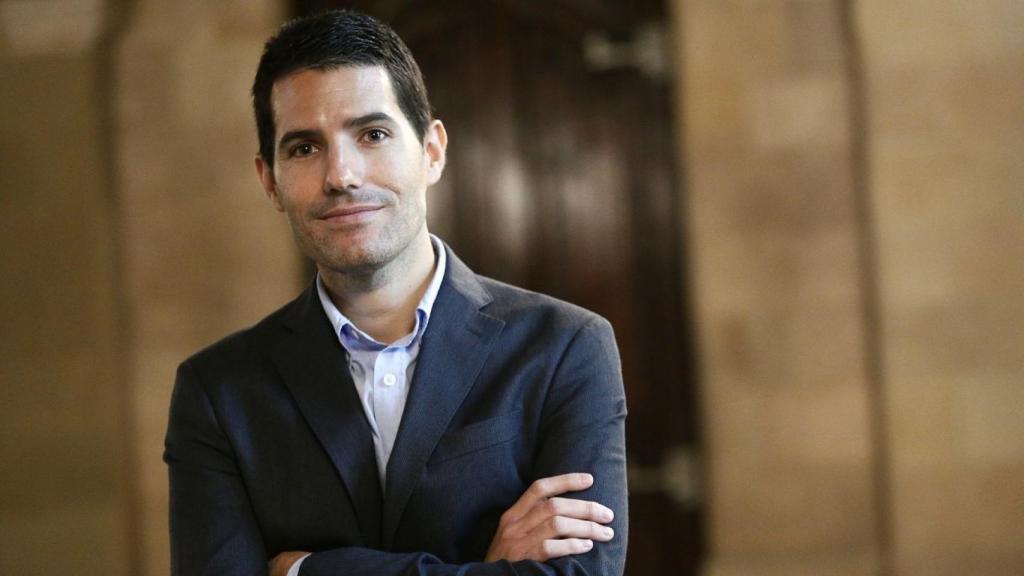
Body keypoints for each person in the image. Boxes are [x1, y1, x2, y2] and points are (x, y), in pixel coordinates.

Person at [164, 9, 627, 576]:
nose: (342, 175)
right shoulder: (218, 391)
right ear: (270, 180)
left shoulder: (565, 347)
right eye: (305, 148)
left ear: (432, 151)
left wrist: (305, 571)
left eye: (372, 134)